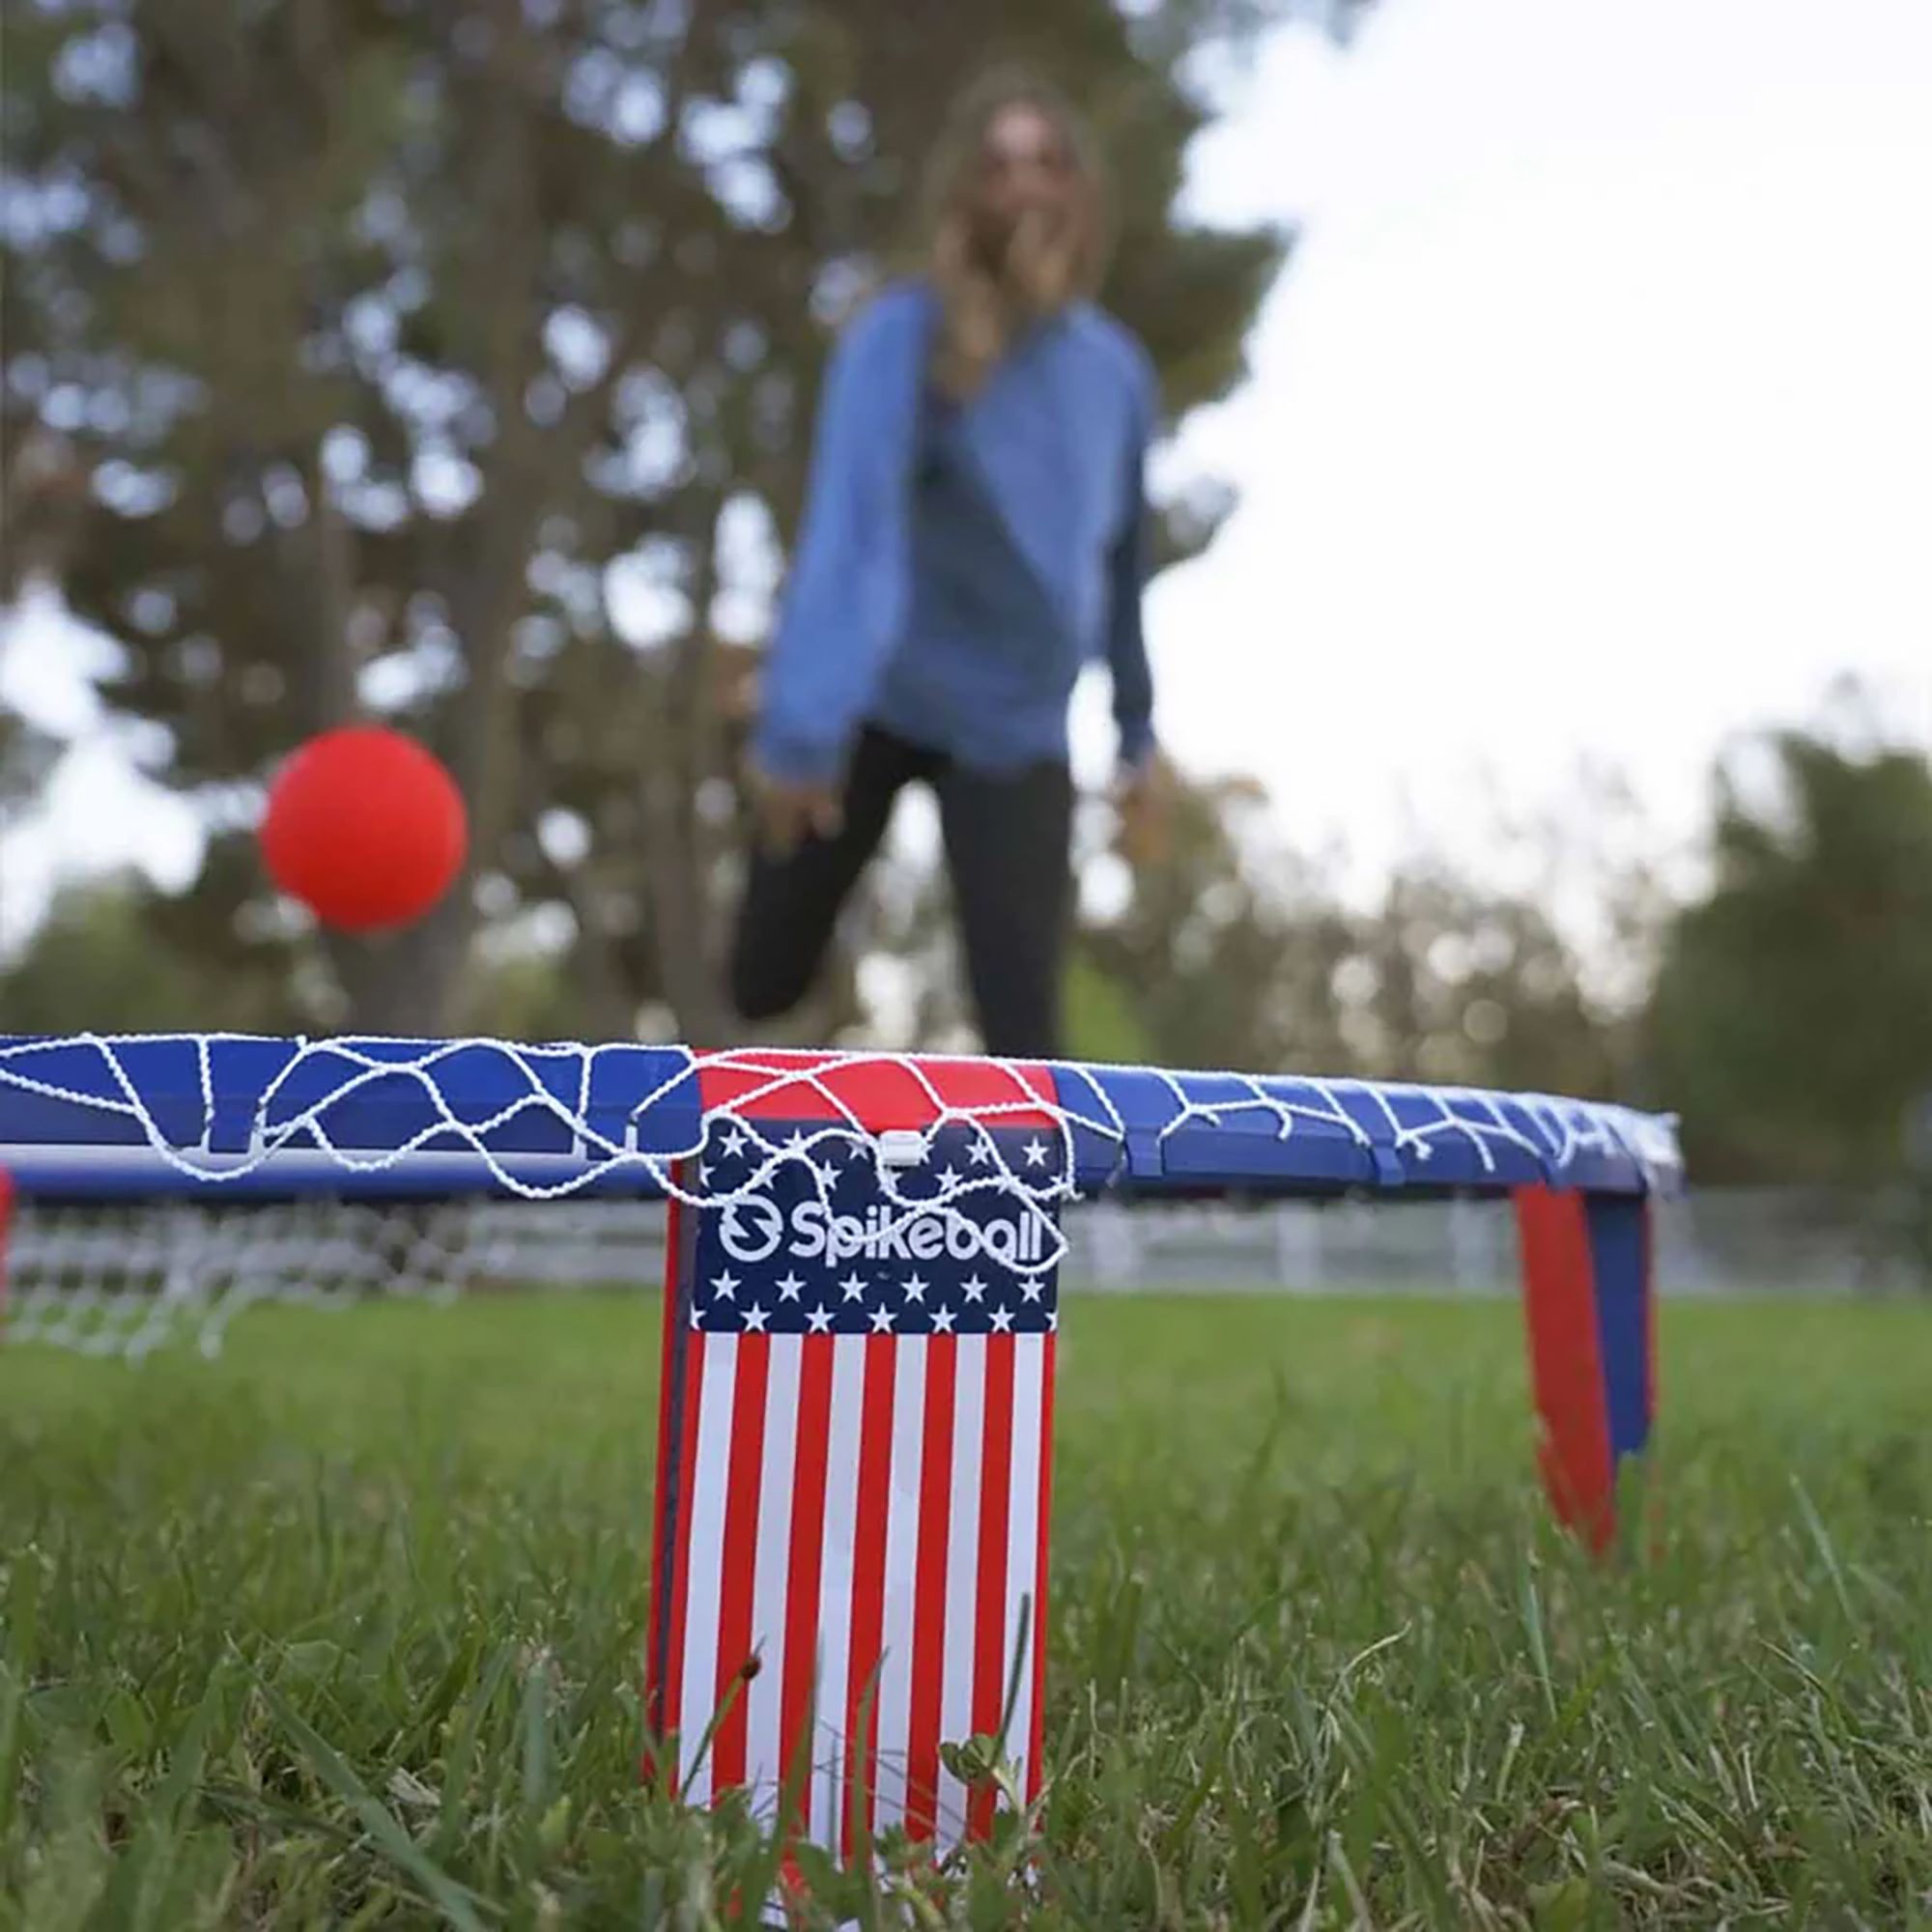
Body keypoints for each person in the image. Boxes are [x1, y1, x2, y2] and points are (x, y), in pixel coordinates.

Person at [728, 68, 1170, 1060]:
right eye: (997, 164)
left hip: (1014, 725)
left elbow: (1123, 564)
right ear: (963, 192)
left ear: (1081, 194)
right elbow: (850, 528)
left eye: (1046, 163)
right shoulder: (901, 335)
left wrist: (1136, 730)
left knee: (1024, 1033)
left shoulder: (1114, 376)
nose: (1022, 186)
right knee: (761, 978)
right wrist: (800, 731)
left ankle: (1017, 1214)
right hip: (872, 700)